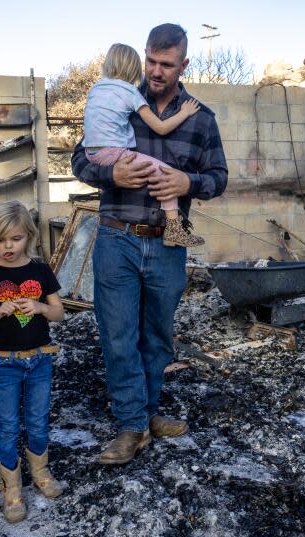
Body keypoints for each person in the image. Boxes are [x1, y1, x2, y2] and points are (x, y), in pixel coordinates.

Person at [71, 23, 228, 465]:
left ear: (184, 64)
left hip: (167, 244)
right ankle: (131, 426)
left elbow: (218, 179)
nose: (157, 72)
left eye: (167, 64)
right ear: (144, 56)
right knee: (118, 336)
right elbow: (80, 158)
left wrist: (188, 181)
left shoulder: (201, 119)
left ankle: (148, 412)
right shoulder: (116, 96)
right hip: (116, 236)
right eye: (152, 62)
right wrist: (110, 174)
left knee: (156, 337)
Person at [0, 201, 66, 523]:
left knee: (37, 420)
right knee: (7, 425)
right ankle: (11, 488)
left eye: (16, 239)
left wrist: (38, 307)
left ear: (29, 237)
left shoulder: (40, 270)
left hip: (39, 360)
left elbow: (59, 314)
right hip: (3, 363)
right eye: (0, 240)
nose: (8, 247)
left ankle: (41, 473)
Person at [83, 42, 204, 248]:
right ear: (135, 67)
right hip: (113, 154)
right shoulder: (131, 93)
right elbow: (161, 128)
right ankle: (174, 229)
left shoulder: (96, 89)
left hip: (91, 153)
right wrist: (184, 113)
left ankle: (173, 229)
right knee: (167, 174)